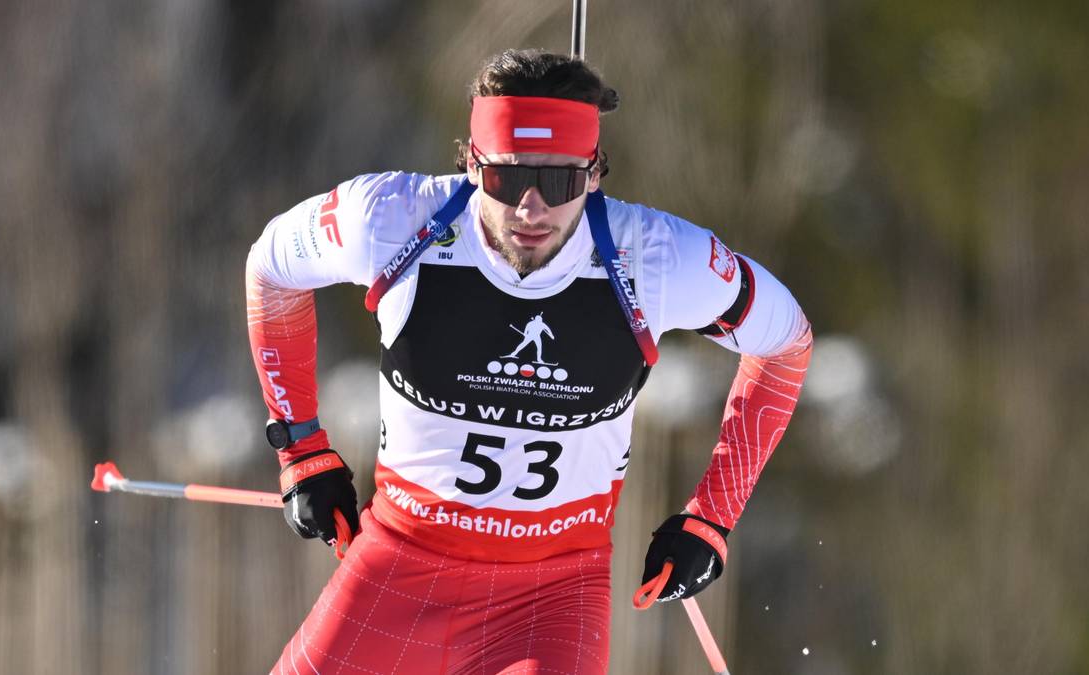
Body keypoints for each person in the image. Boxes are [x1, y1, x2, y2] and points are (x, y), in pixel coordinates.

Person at [246, 49, 813, 675]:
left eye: (560, 180)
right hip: (398, 567)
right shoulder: (390, 222)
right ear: (470, 163)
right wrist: (301, 448)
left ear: (595, 171)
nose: (531, 209)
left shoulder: (655, 259)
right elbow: (271, 268)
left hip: (551, 594)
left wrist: (712, 518)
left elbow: (785, 342)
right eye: (509, 179)